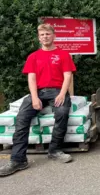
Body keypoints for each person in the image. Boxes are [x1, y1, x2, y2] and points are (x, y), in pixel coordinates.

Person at [0, 24, 76, 177]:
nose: (45, 37)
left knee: (61, 113)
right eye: (42, 35)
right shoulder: (33, 56)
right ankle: (18, 160)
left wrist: (62, 94)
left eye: (48, 34)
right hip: (39, 92)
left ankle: (54, 151)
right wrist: (34, 97)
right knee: (22, 118)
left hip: (57, 90)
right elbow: (32, 78)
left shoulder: (63, 54)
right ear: (39, 38)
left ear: (53, 36)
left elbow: (68, 76)